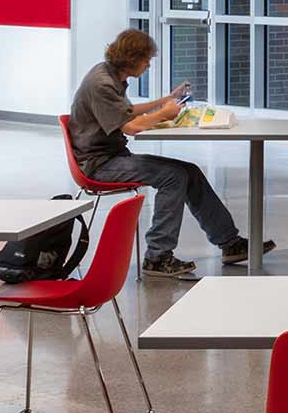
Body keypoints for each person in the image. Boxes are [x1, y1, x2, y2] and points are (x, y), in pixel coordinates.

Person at [68, 28, 270, 280]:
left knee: (190, 172)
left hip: (112, 156)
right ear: (132, 58)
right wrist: (163, 114)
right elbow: (130, 126)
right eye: (146, 60)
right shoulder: (102, 83)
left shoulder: (108, 74)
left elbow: (127, 111)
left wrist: (166, 100)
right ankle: (157, 256)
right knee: (173, 176)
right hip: (99, 164)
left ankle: (230, 242)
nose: (148, 65)